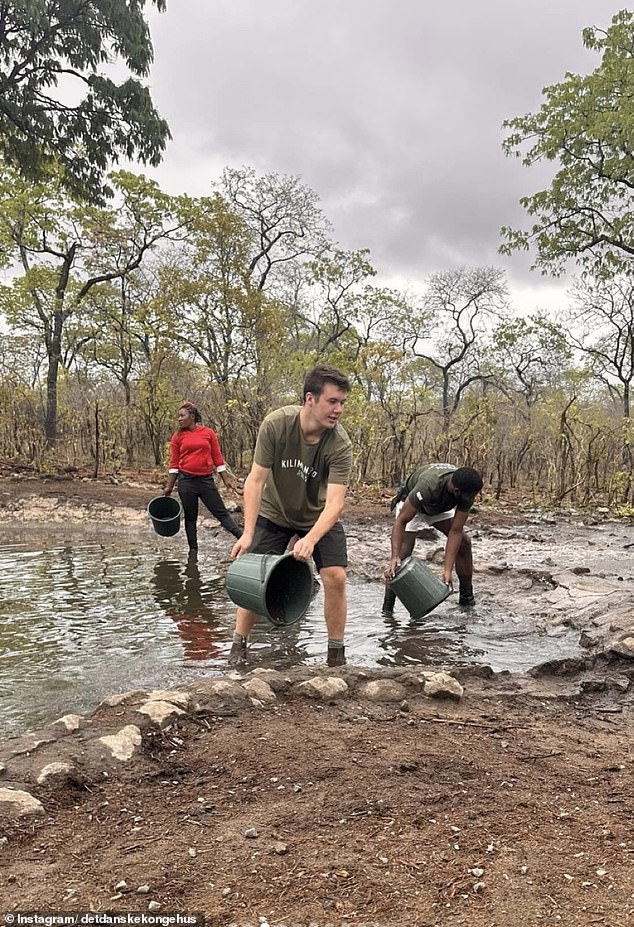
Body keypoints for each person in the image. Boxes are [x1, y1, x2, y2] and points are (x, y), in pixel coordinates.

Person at [228, 364, 353, 667]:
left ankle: (336, 654)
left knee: (336, 576)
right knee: (254, 573)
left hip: (318, 514)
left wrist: (310, 538)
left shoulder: (339, 443)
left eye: (342, 403)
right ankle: (238, 647)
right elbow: (255, 480)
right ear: (310, 399)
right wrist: (247, 533)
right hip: (275, 511)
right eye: (332, 401)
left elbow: (335, 503)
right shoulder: (277, 425)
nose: (338, 410)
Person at [383, 463, 483, 616]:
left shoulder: (466, 491)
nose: (472, 500)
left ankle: (466, 600)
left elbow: (455, 531)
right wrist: (394, 556)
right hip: (411, 502)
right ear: (456, 491)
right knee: (401, 560)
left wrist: (447, 570)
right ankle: (387, 611)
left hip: (438, 506)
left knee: (464, 543)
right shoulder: (429, 485)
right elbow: (401, 521)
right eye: (470, 497)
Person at [164, 401, 241, 551]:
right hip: (186, 482)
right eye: (178, 416)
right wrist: (169, 487)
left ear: (192, 416)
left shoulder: (208, 433)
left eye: (182, 416)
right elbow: (174, 464)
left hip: (206, 481)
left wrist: (226, 480)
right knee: (190, 518)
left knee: (221, 513)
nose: (179, 419)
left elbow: (218, 458)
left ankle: (244, 540)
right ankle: (193, 553)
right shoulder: (177, 436)